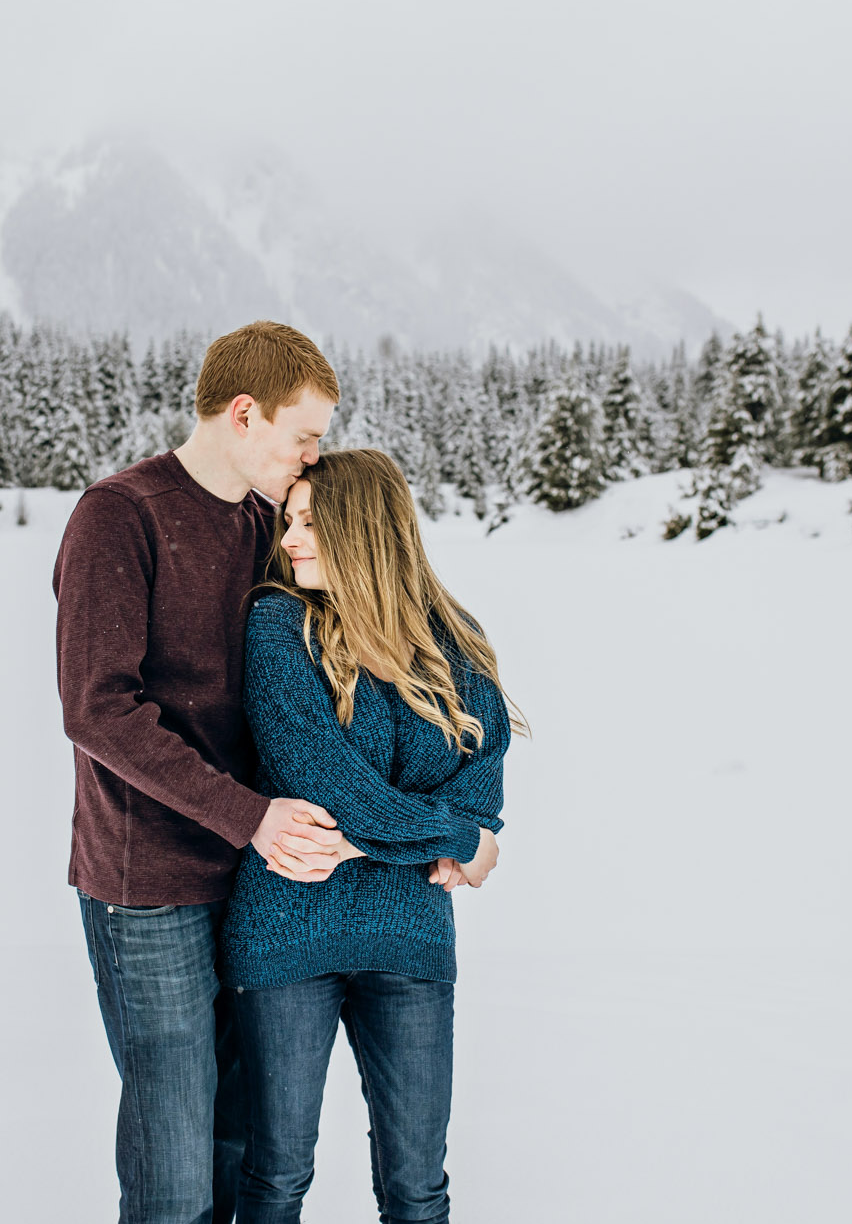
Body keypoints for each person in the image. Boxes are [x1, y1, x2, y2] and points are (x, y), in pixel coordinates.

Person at [53, 321, 356, 1224]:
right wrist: (250, 815)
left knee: (243, 1146)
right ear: (243, 413)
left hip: (257, 883)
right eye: (304, 436)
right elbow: (98, 708)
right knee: (175, 1171)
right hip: (149, 885)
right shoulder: (121, 514)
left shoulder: (271, 522)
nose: (311, 459)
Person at [220, 448, 520, 1224]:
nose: (289, 538)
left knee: (417, 1188)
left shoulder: (452, 639)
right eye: (289, 519)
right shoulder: (278, 627)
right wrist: (450, 836)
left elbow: (479, 777)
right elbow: (330, 790)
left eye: (310, 521)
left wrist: (397, 833)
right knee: (278, 1175)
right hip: (286, 937)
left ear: (364, 529)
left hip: (411, 940)